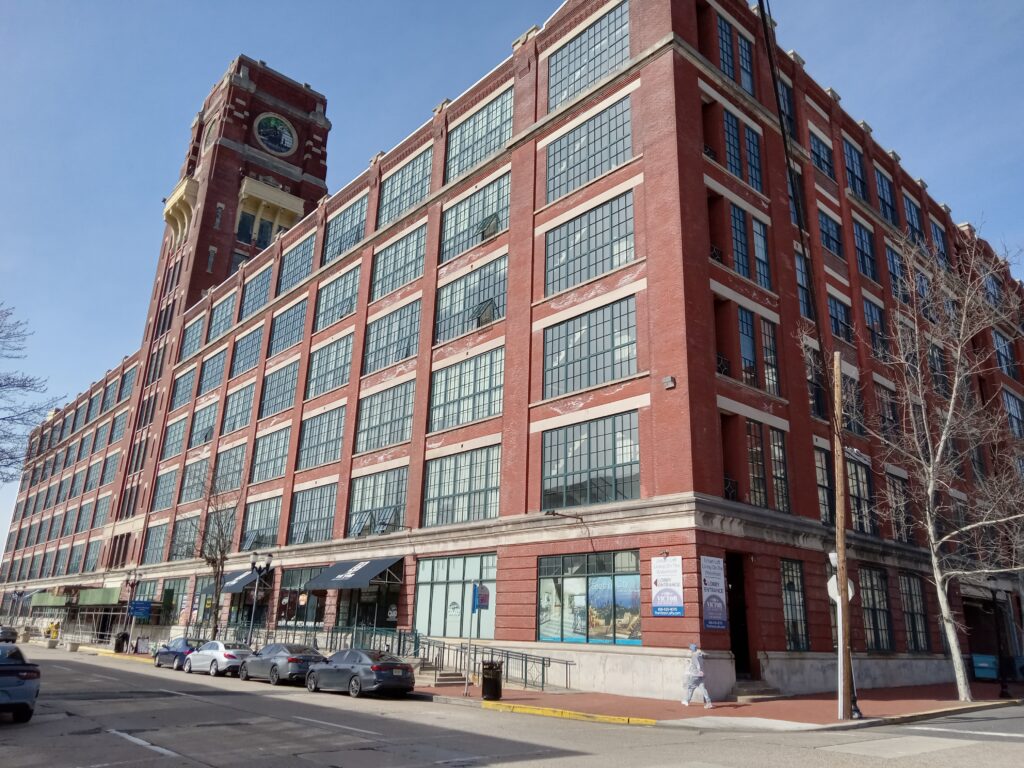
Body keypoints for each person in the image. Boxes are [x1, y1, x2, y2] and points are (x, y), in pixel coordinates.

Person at [682, 641, 713, 709]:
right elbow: (701, 662)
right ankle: (709, 702)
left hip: (696, 675)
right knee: (703, 688)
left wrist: (699, 671)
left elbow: (697, 664)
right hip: (701, 675)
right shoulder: (700, 654)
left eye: (690, 649)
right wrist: (701, 671)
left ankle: (687, 701)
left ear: (692, 649)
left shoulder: (694, 655)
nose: (690, 650)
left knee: (691, 687)